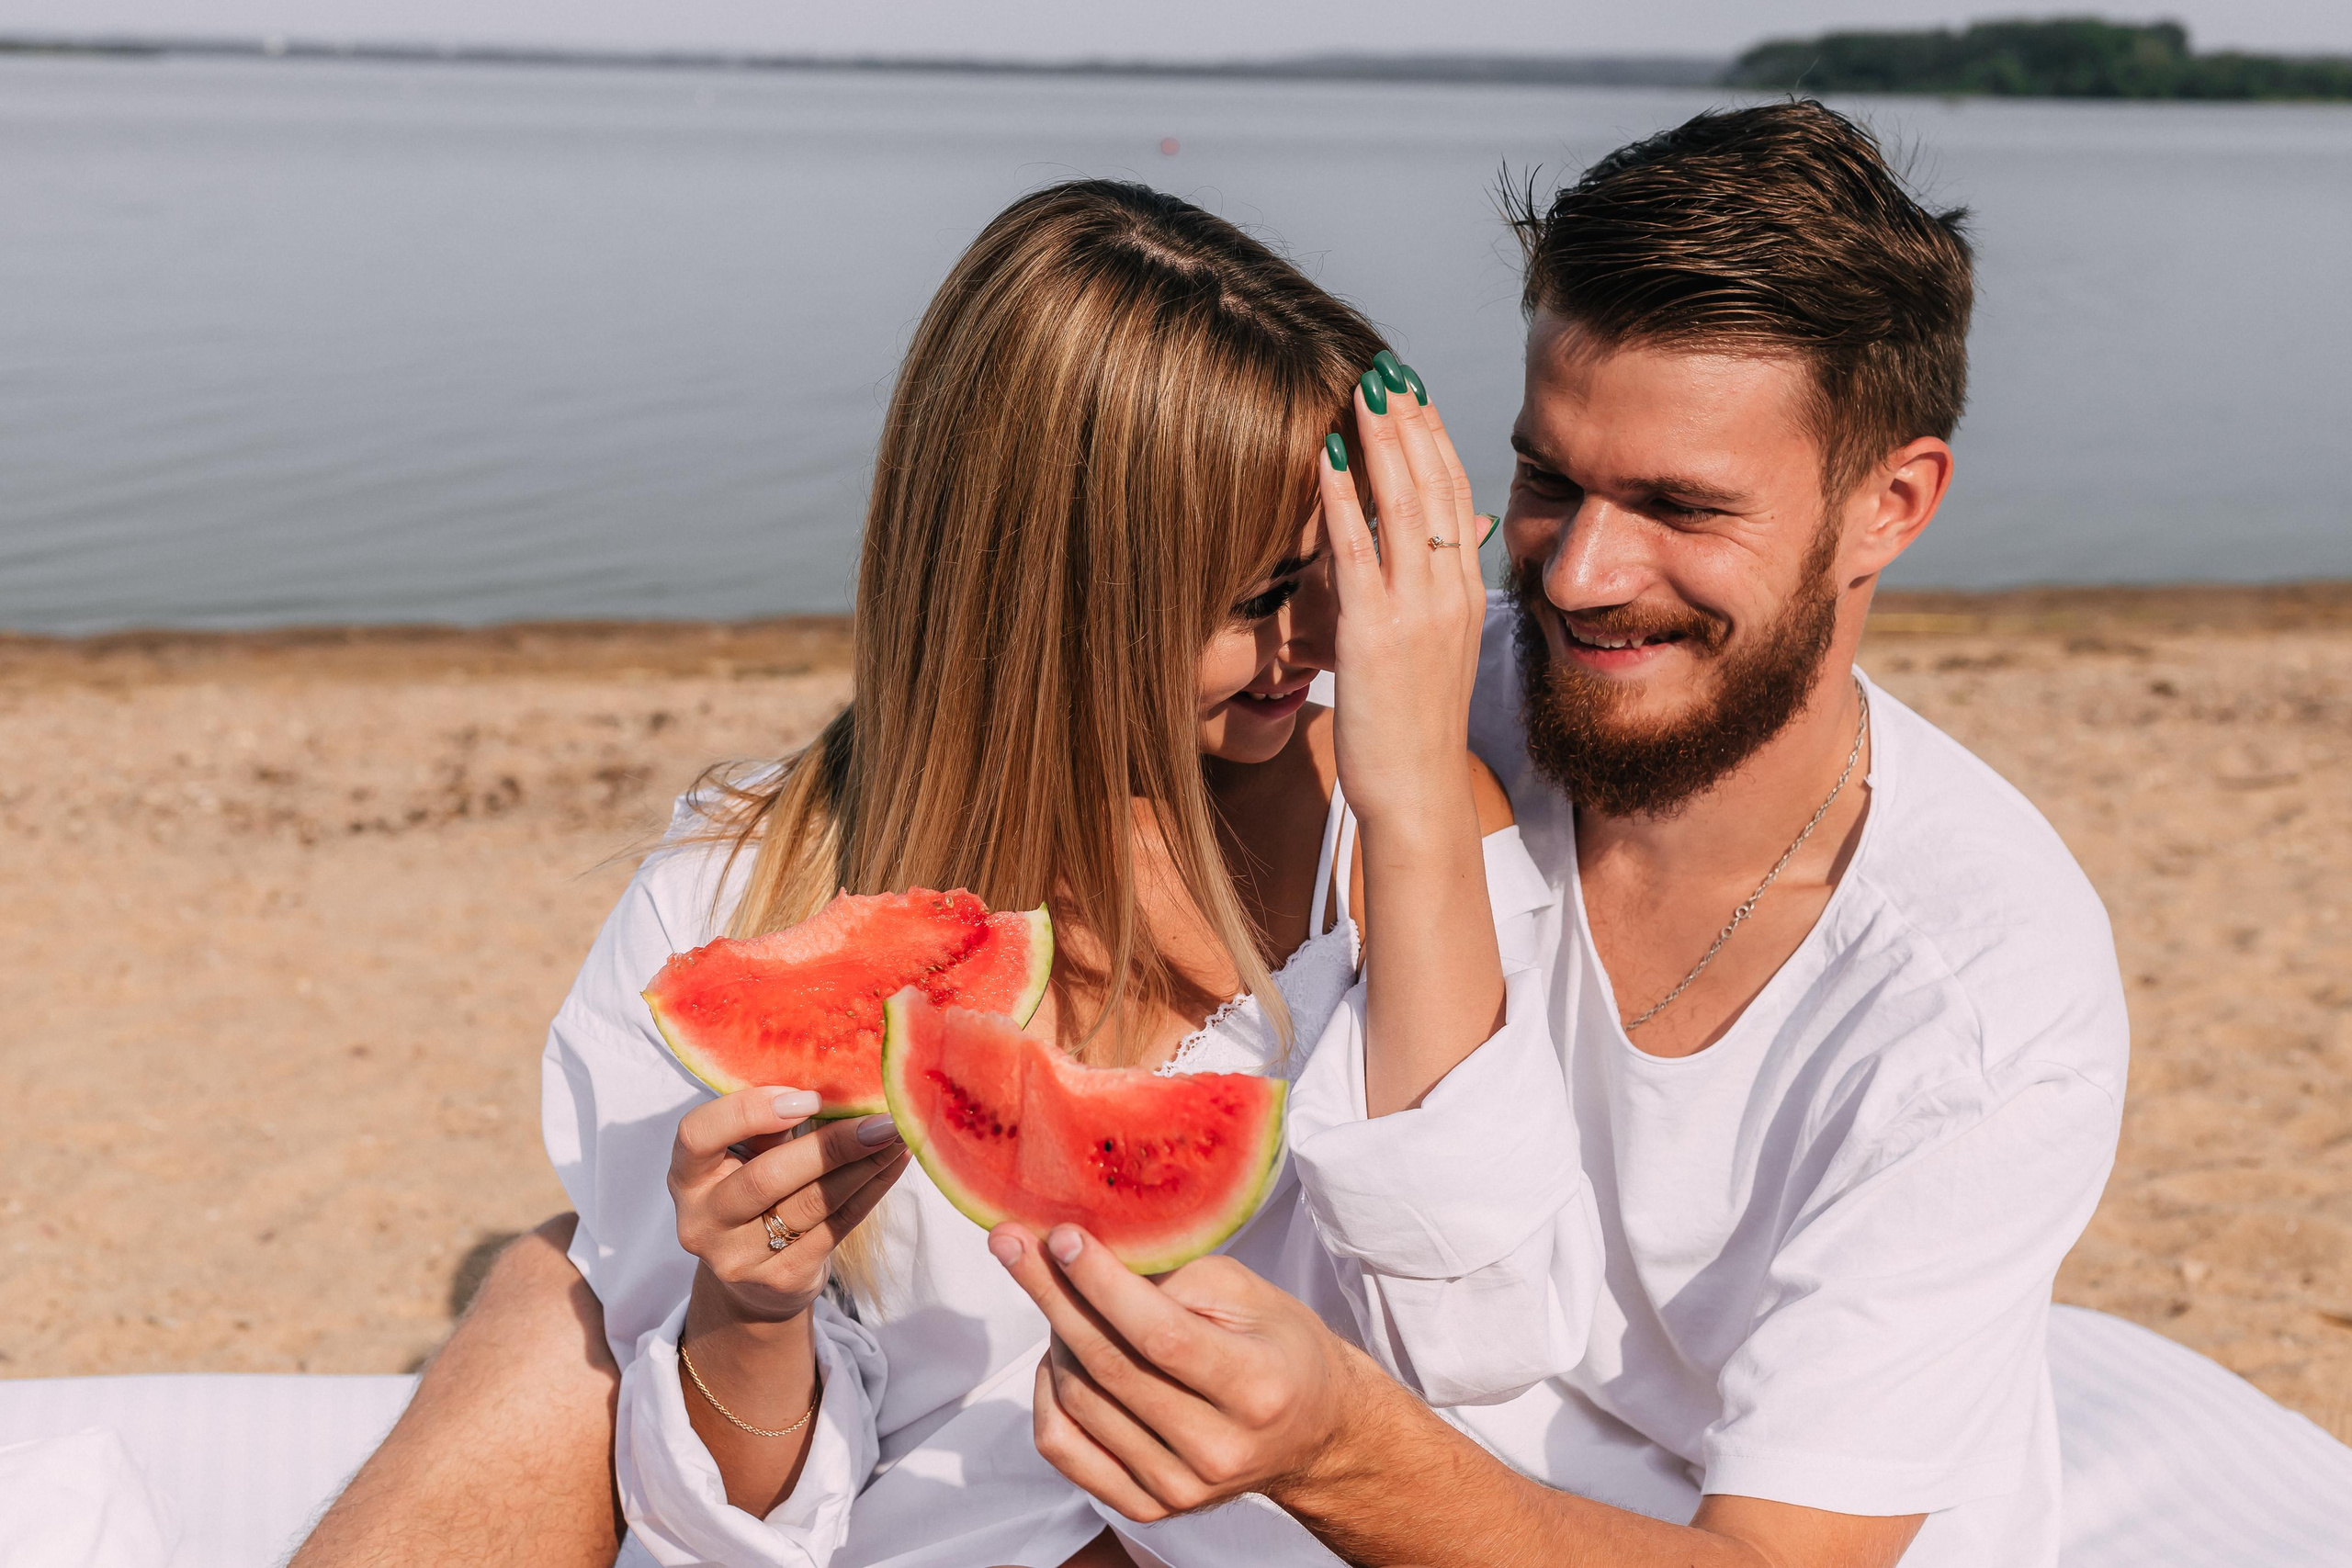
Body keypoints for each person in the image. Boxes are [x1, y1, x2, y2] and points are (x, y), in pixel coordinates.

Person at [298, 178, 1602, 1568]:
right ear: (1056, 591)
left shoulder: (1399, 838)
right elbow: (724, 1525)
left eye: (1342, 563)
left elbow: (1492, 1335)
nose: (1329, 637)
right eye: (1259, 600)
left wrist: (1407, 813)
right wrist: (749, 1314)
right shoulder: (737, 894)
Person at [989, 102, 2138, 1568]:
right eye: (1548, 478)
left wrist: (1340, 1445)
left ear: (1890, 506)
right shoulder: (1429, 687)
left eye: (1677, 505)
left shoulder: (1979, 1007)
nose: (1582, 576)